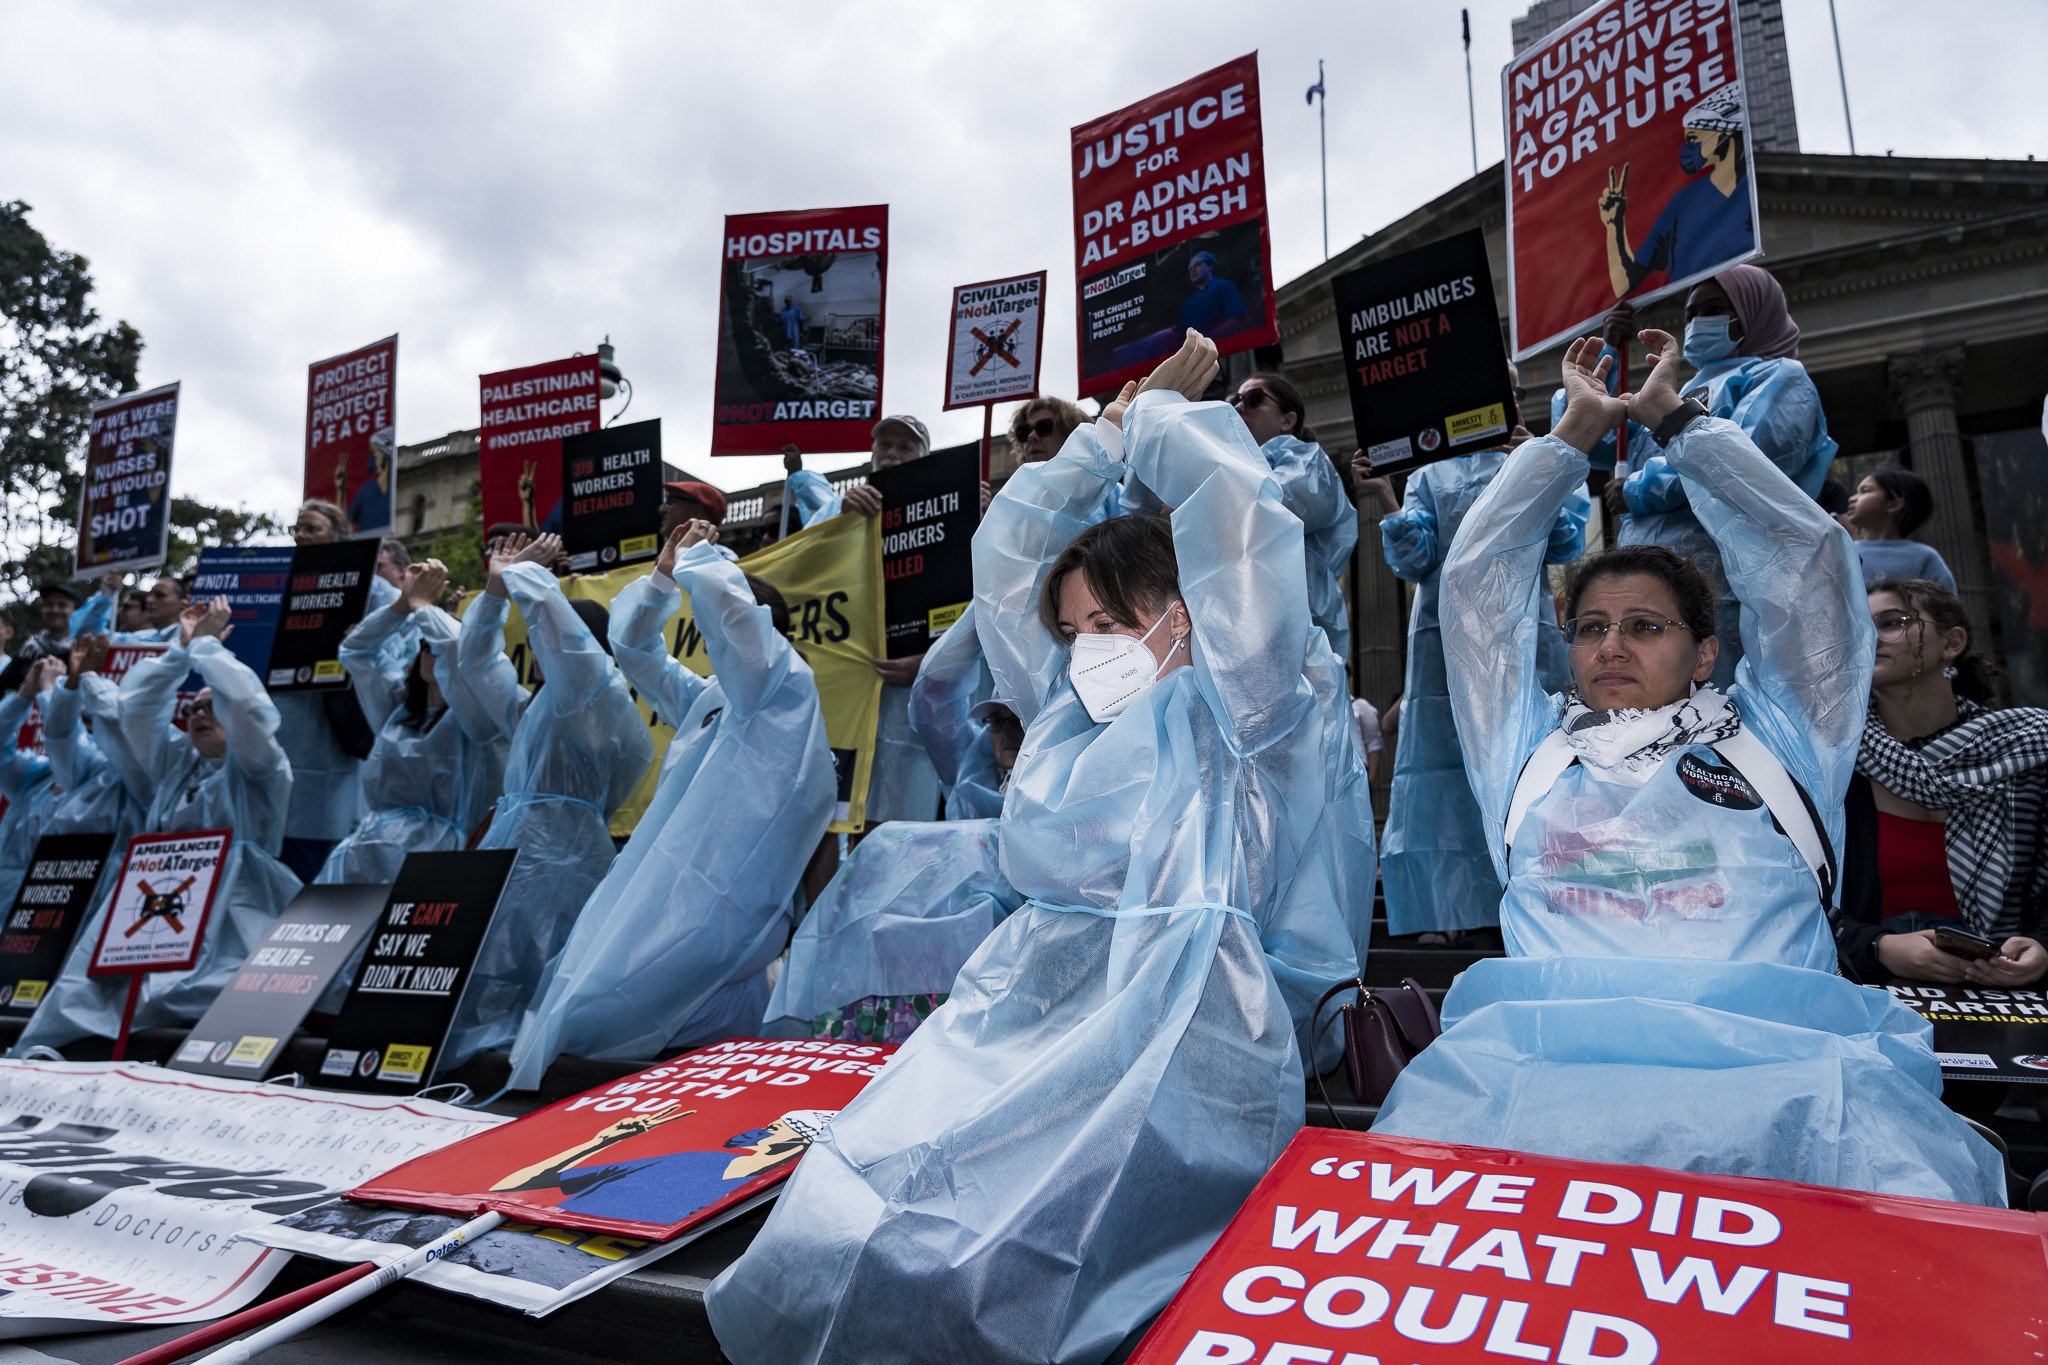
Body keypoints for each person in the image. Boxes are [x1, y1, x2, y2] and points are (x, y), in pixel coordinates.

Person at [707, 333, 1373, 1363]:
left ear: (1187, 613)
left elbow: (1240, 519)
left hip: (1185, 1034)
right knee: (843, 1213)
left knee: (997, 1266)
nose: (1085, 648)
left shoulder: (1250, 706)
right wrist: (1104, 433)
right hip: (1025, 1015)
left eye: (1110, 620)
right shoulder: (1066, 715)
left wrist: (1160, 417)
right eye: (1072, 630)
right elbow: (1009, 548)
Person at [1370, 328, 2003, 1205]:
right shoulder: (1527, 755)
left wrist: (1681, 425)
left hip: (1792, 1115)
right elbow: (1478, 580)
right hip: (1543, 1115)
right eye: (1591, 628)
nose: (1611, 646)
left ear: (1707, 652)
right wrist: (1569, 439)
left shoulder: (1781, 744)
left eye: (1645, 626)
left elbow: (1807, 565)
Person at [506, 519, 833, 1087]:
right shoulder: (710, 698)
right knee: (603, 1014)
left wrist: (702, 561)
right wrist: (661, 579)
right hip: (671, 904)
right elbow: (635, 650)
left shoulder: (785, 688)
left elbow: (736, 619)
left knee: (672, 1047)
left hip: (725, 923)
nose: (708, 633)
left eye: (713, 616)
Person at [1357, 376, 1588, 942]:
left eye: (1511, 390)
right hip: (1444, 638)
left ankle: (1537, 895)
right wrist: (1385, 493)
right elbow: (1415, 559)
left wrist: (1542, 471)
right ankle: (1445, 913)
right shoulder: (1429, 471)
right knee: (1444, 765)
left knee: (1529, 753)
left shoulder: (1530, 456)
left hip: (1522, 631)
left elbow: (1565, 544)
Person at [19, 598, 303, 1050]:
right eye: (192, 710)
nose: (199, 714)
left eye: (211, 706)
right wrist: (180, 652)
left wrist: (207, 648)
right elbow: (136, 707)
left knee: (199, 996)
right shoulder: (176, 763)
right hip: (154, 906)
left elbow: (249, 708)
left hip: (235, 911)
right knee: (86, 994)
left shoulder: (260, 767)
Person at [439, 532, 651, 1070]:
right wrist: (494, 590)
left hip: (564, 860)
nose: (537, 649)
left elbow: (566, 644)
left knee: (545, 971)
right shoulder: (533, 708)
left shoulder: (598, 699)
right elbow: (475, 661)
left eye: (544, 640)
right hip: (514, 850)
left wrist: (526, 576)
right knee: (496, 969)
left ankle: (533, 1071)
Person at [1572, 263, 1836, 689]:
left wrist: (1638, 489)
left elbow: (1742, 464)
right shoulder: (1682, 390)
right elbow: (1605, 441)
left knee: (1722, 705)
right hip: (1650, 585)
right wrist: (1607, 360)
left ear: (1754, 311)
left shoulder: (1780, 377)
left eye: (1714, 309)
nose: (1698, 322)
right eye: (1691, 313)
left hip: (1731, 586)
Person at [1836, 581, 2048, 987]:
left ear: (1952, 643)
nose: (1869, 636)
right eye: (1859, 625)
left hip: (2006, 985)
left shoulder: (2028, 748)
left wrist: (2043, 947)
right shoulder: (1834, 761)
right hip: (1871, 985)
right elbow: (1797, 901)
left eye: (1891, 622)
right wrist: (1880, 947)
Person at [785, 415, 944, 826]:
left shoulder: (948, 513)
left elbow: (975, 610)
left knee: (897, 823)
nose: (892, 453)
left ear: (925, 457)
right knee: (831, 818)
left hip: (910, 695)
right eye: (884, 445)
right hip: (847, 688)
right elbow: (799, 564)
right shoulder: (847, 509)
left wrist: (931, 662)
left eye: (905, 446)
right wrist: (838, 512)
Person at [316, 559, 499, 885]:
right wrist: (403, 604)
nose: (432, 653)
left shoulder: (477, 719)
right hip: (368, 856)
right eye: (425, 646)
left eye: (440, 648)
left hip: (438, 861)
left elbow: (458, 645)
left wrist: (424, 607)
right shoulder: (396, 706)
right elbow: (356, 651)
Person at [271, 498, 392, 881]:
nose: (302, 536)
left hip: (332, 728)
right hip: (275, 716)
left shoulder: (372, 587)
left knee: (315, 850)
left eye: (312, 528)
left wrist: (368, 640)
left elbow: (399, 640)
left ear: (339, 536)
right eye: (297, 529)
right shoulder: (276, 581)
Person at [1218, 373, 1358, 668]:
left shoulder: (1308, 461)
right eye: (1234, 400)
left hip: (1302, 621)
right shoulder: (1237, 469)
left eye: (1253, 398)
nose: (1239, 407)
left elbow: (1270, 505)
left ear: (1287, 420)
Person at [1599, 81, 1752, 297]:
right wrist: (1614, 225)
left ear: (1723, 132)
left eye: (1692, 138)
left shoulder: (1753, 191)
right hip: (1694, 312)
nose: (1687, 148)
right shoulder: (1682, 204)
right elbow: (1625, 283)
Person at [0, 660, 60, 915]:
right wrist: (24, 695)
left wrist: (50, 693)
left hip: (53, 918)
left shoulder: (107, 781)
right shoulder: (35, 775)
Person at [1845, 467, 1957, 592]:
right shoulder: (1844, 551)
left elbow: (1946, 602)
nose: (1852, 498)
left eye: (1865, 491)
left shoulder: (1924, 557)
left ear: (1894, 505)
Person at [1177, 248, 1245, 336]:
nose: (1193, 270)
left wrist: (1208, 339)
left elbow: (1236, 320)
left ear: (1210, 266)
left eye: (1197, 265)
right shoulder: (1187, 303)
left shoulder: (1225, 286)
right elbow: (1181, 333)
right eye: (1190, 269)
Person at [348, 430, 395, 533]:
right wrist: (341, 490)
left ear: (385, 455)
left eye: (374, 452)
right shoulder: (367, 489)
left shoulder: (395, 488)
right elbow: (346, 520)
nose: (371, 457)